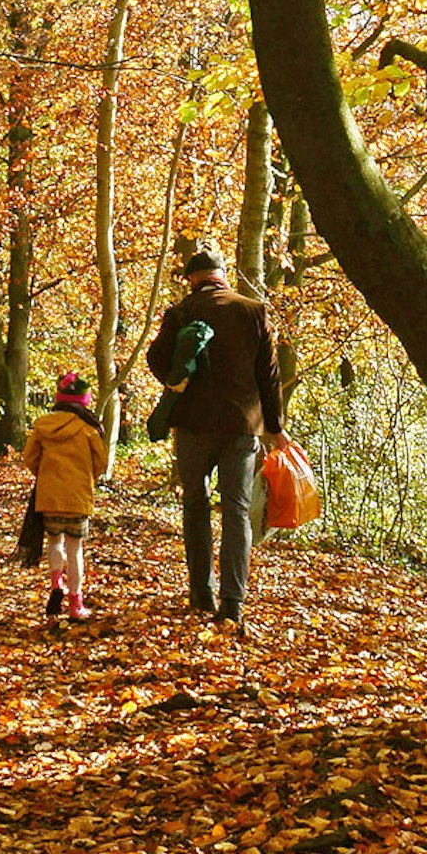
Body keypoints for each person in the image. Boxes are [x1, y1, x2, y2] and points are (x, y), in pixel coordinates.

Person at [143, 246, 279, 626]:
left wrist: (181, 381)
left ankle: (201, 592)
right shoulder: (254, 311)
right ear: (223, 275)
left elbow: (156, 360)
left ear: (192, 279)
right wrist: (275, 427)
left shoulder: (181, 313)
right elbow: (269, 376)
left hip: (192, 425)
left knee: (196, 505)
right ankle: (233, 602)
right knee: (236, 511)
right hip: (241, 425)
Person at [22, 370, 109, 624]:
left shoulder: (43, 425)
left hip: (50, 498)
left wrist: (46, 474)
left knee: (55, 543)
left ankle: (55, 587)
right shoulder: (89, 430)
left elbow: (30, 458)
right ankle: (75, 603)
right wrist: (85, 476)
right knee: (75, 549)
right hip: (78, 498)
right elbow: (101, 464)